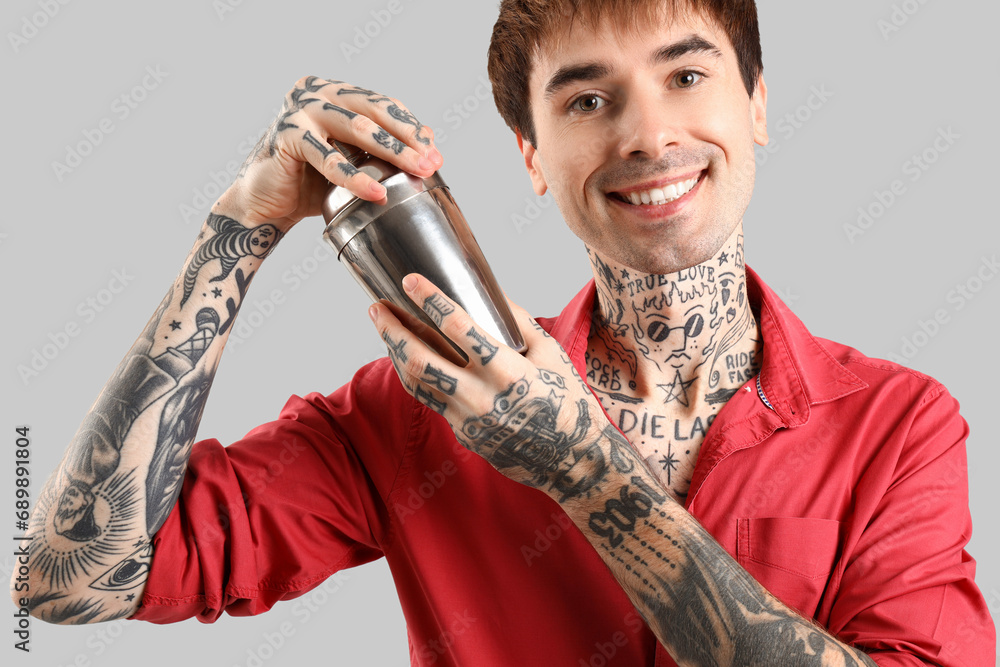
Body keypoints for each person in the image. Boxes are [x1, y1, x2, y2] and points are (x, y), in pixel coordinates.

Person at [14, 0, 994, 664]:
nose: (648, 133)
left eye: (686, 76)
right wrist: (240, 226)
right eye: (587, 98)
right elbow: (69, 578)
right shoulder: (414, 410)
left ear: (760, 105)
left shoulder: (897, 422)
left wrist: (579, 468)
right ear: (530, 154)